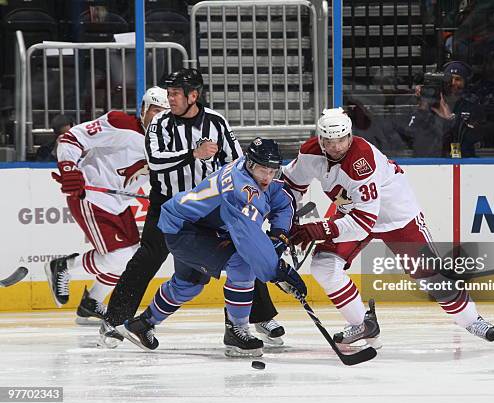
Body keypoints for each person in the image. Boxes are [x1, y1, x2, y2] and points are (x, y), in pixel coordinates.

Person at [284, 107, 494, 348]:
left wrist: (321, 229)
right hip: (351, 210)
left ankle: (471, 320)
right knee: (324, 266)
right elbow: (290, 186)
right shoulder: (309, 153)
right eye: (329, 141)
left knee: (430, 277)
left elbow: (363, 222)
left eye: (342, 140)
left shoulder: (361, 160)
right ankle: (362, 325)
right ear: (320, 139)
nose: (336, 147)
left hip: (396, 216)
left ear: (350, 136)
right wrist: (286, 221)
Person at [98, 68, 284, 348]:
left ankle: (257, 318)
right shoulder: (160, 123)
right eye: (168, 93)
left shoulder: (216, 123)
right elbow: (157, 162)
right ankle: (115, 320)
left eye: (175, 94)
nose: (169, 99)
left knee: (242, 251)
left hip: (208, 208)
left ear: (193, 95)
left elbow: (236, 162)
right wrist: (193, 154)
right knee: (148, 258)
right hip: (169, 206)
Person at [118, 138, 306, 357]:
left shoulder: (253, 171)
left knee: (189, 283)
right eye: (262, 170)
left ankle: (141, 325)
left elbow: (282, 201)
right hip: (185, 229)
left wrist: (279, 234)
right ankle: (237, 331)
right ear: (250, 163)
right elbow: (248, 239)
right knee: (242, 264)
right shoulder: (240, 189)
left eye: (272, 171)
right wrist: (277, 271)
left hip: (191, 223)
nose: (267, 177)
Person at [45, 86, 170, 325]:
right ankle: (64, 266)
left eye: (165, 113)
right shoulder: (120, 123)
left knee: (131, 259)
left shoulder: (165, 142)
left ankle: (91, 303)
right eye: (155, 111)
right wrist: (70, 168)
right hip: (90, 195)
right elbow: (71, 138)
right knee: (119, 257)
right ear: (143, 110)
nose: (159, 117)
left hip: (119, 203)